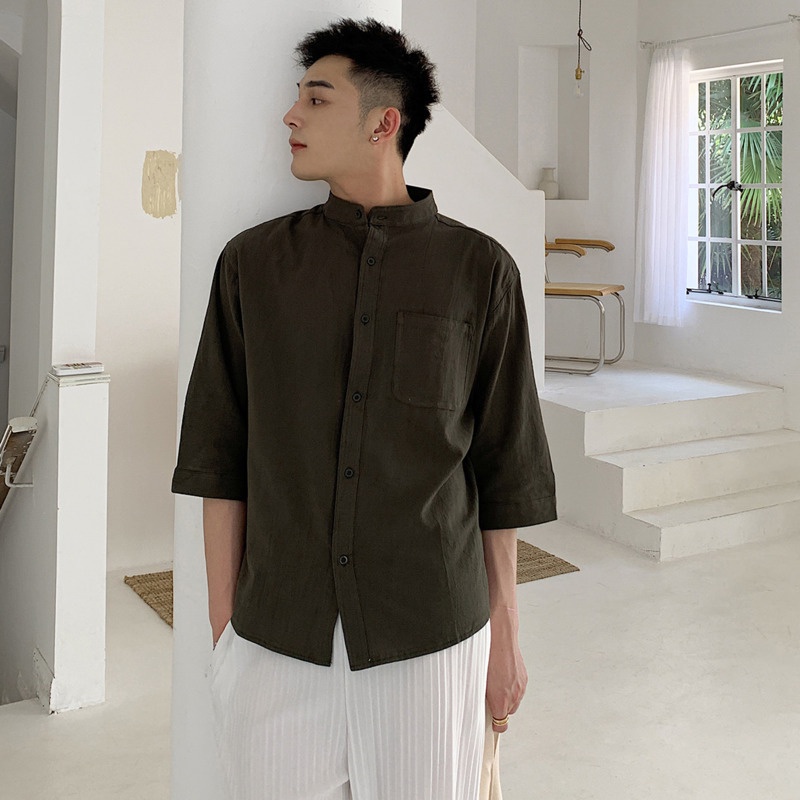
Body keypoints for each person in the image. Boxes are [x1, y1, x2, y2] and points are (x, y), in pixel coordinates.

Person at [171, 17, 556, 800]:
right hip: (276, 639)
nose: (290, 115)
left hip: (431, 638)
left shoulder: (480, 271)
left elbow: (504, 466)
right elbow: (218, 455)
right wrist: (224, 630)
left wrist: (506, 632)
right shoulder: (252, 265)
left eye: (316, 98)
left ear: (384, 123)